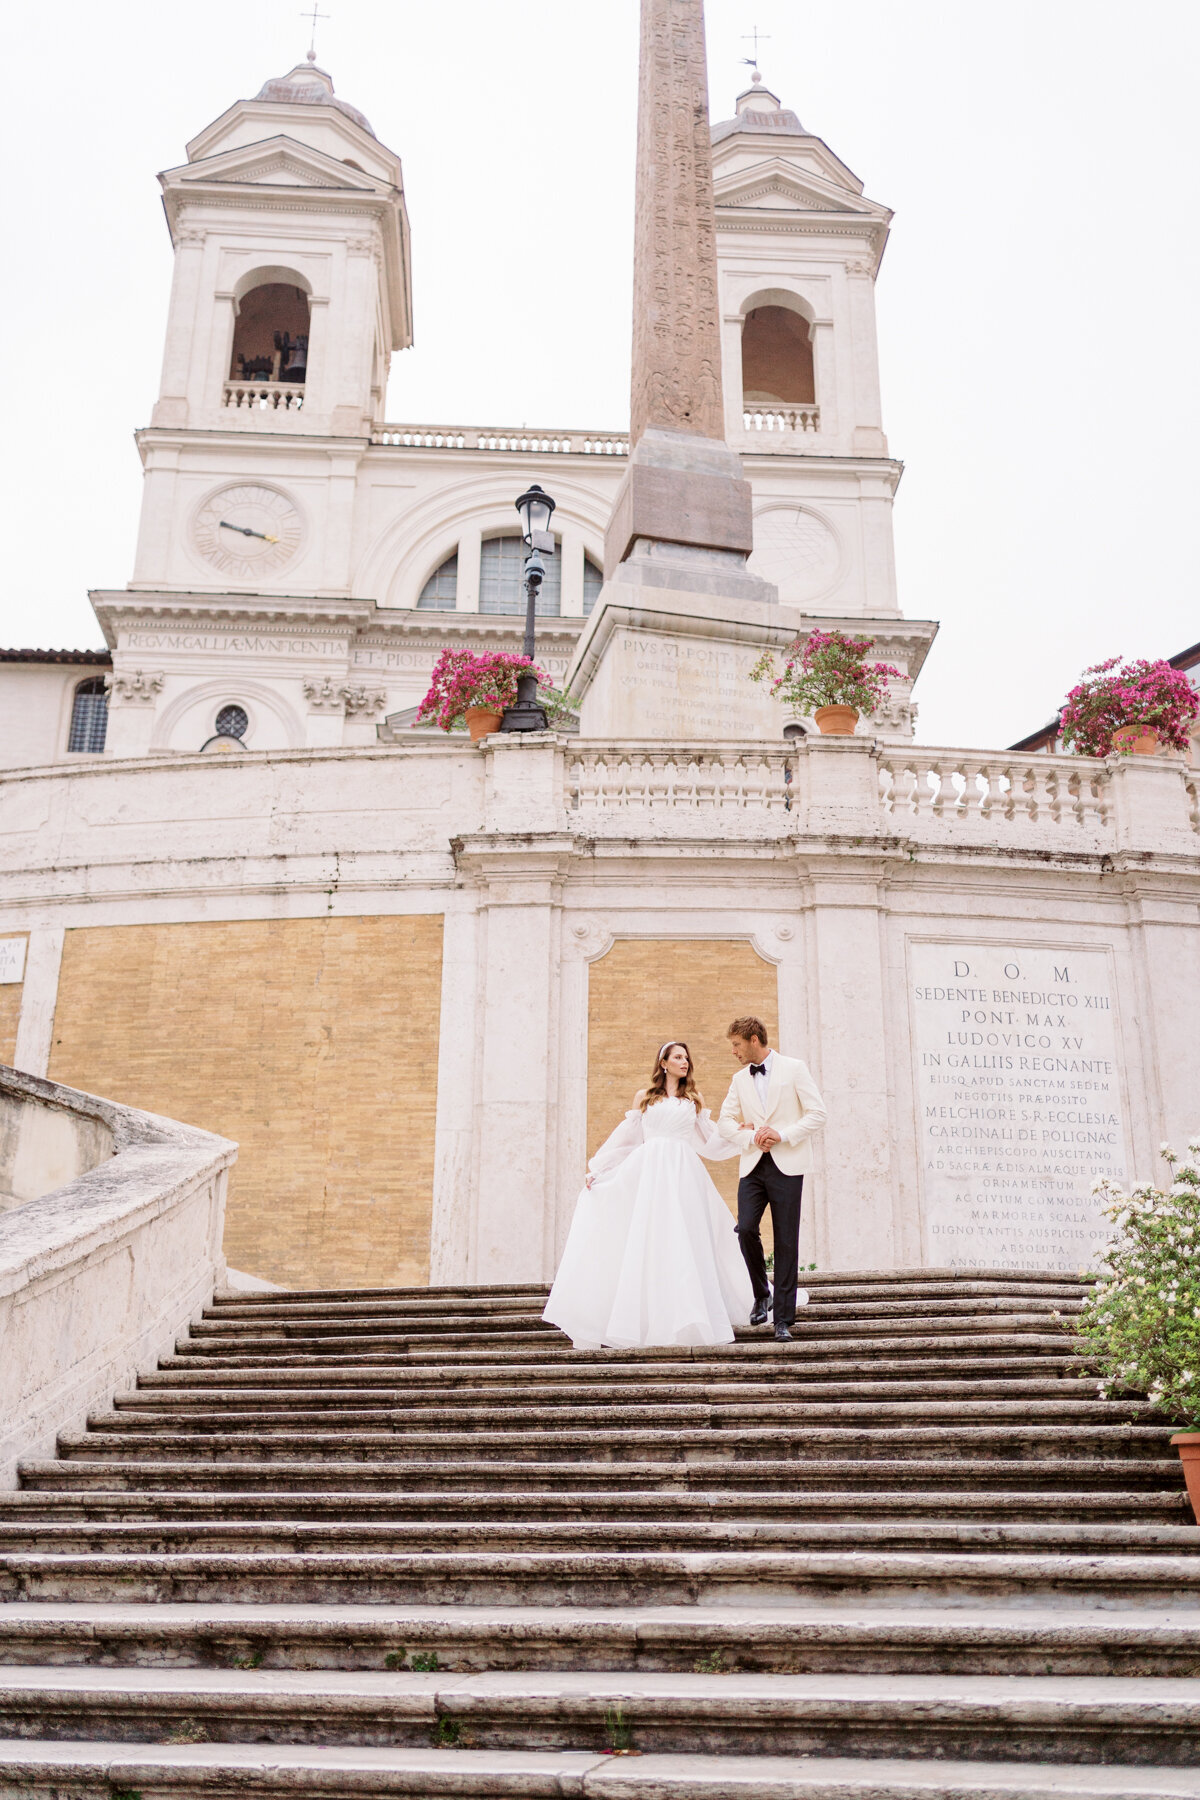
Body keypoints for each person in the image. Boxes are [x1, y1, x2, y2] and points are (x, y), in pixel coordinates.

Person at [543, 1041, 753, 1349]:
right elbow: (627, 1140)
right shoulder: (645, 1098)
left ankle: (690, 1313)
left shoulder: (693, 1099)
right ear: (664, 1063)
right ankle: (644, 1317)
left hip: (684, 1173)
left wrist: (740, 1133)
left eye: (686, 1057)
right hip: (650, 1172)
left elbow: (709, 1141)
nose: (685, 1062)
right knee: (651, 1238)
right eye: (678, 1057)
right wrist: (600, 1169)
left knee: (685, 1238)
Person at [719, 1016, 827, 1342]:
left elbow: (817, 1113)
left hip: (788, 1165)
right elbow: (725, 1122)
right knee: (746, 1229)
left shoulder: (794, 1068)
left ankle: (783, 1319)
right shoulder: (739, 1079)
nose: (734, 1051)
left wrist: (781, 1134)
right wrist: (752, 1138)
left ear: (754, 1039)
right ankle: (760, 1293)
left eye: (736, 1044)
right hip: (753, 1166)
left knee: (786, 1241)